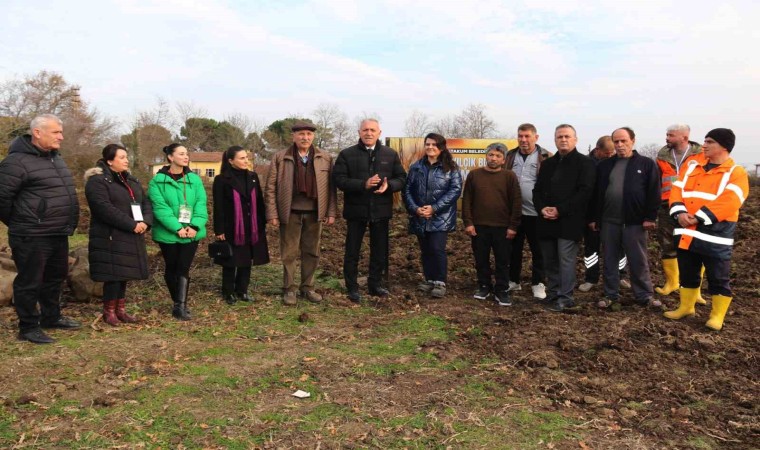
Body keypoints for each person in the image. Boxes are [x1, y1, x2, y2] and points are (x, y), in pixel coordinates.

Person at [0, 114, 81, 344]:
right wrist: (24, 222)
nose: (61, 137)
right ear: (37, 132)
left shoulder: (56, 158)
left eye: (61, 132)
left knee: (55, 277)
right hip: (31, 234)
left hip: (57, 232)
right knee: (30, 280)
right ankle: (27, 327)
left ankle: (51, 317)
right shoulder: (16, 162)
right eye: (56, 132)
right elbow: (2, 199)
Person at [664, 128, 749, 331]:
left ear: (723, 146)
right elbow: (677, 190)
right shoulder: (693, 166)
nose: (704, 145)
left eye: (709, 141)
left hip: (716, 234)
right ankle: (686, 307)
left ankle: (717, 316)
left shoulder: (736, 172)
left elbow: (731, 201)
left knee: (718, 277)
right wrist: (679, 213)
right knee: (688, 273)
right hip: (686, 232)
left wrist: (697, 217)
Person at [333, 119, 407, 303]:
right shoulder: (347, 154)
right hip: (356, 211)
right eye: (365, 130)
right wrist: (362, 184)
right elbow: (339, 180)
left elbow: (402, 178)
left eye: (372, 130)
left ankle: (375, 284)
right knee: (352, 251)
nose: (369, 133)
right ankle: (352, 287)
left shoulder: (390, 154)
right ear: (359, 132)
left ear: (379, 133)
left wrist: (389, 185)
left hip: (381, 211)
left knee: (379, 250)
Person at [265, 121, 337, 306]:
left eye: (308, 134)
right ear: (293, 136)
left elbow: (331, 188)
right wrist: (272, 213)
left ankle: (308, 287)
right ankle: (290, 289)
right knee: (289, 252)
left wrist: (330, 212)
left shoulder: (325, 157)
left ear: (313, 136)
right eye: (301, 134)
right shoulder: (280, 157)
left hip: (315, 213)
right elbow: (270, 187)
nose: (305, 138)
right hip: (289, 213)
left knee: (312, 252)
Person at [591, 128, 661, 309]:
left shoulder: (646, 164)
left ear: (633, 141)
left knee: (638, 260)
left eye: (624, 141)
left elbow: (654, 192)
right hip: (609, 221)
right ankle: (610, 295)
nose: (620, 145)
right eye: (616, 142)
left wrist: (650, 217)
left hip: (635, 222)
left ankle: (644, 295)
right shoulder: (605, 166)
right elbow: (597, 194)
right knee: (609, 260)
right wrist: (595, 218)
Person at [85, 144, 153, 326]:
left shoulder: (132, 181)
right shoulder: (97, 181)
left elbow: (146, 203)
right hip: (110, 235)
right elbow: (104, 209)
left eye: (126, 156)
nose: (126, 160)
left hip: (131, 234)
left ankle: (120, 310)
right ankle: (109, 312)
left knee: (124, 274)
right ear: (109, 161)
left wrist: (145, 222)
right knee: (113, 275)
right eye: (121, 157)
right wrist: (132, 224)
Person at [533, 124, 595, 312]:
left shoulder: (585, 163)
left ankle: (566, 297)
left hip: (570, 221)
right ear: (554, 140)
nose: (563, 139)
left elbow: (584, 192)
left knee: (566, 260)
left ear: (575, 139)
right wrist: (542, 208)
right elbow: (537, 191)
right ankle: (552, 294)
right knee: (550, 260)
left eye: (567, 136)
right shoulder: (548, 164)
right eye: (559, 137)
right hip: (546, 221)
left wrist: (559, 210)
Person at [148, 143, 208, 320]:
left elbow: (201, 204)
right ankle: (177, 302)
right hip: (168, 234)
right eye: (181, 154)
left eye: (187, 154)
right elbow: (160, 208)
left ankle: (180, 306)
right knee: (172, 268)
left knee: (183, 267)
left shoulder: (195, 180)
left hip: (191, 233)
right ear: (170, 157)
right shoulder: (157, 182)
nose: (186, 157)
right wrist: (177, 228)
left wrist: (195, 226)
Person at [403, 133, 463, 298]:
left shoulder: (451, 168)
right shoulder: (416, 167)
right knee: (425, 250)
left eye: (434, 145)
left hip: (440, 218)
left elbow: (455, 191)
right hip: (420, 216)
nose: (430, 147)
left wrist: (434, 208)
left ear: (442, 148)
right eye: (427, 144)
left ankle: (440, 281)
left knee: (437, 249)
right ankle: (428, 279)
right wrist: (416, 209)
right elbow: (407, 189)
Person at [462, 143, 521, 305]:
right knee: (481, 258)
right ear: (486, 156)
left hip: (503, 227)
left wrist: (513, 226)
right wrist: (468, 222)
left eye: (498, 156)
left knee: (503, 260)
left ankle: (501, 289)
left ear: (503, 160)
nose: (493, 158)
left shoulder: (509, 177)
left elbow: (516, 202)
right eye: (491, 155)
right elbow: (466, 200)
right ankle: (484, 285)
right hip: (479, 226)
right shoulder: (474, 175)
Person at [654, 124, 707, 299]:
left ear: (683, 137)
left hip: (693, 205)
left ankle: (695, 291)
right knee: (667, 244)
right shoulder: (662, 156)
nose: (667, 138)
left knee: (695, 247)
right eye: (666, 134)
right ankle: (672, 283)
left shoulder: (701, 154)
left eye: (670, 135)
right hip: (667, 205)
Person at [213, 146, 270, 304]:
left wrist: (262, 222)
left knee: (247, 259)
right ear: (231, 161)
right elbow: (218, 207)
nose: (246, 161)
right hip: (232, 226)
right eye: (242, 158)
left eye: (247, 158)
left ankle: (242, 290)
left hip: (252, 227)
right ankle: (228, 292)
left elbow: (259, 201)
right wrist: (219, 229)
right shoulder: (222, 179)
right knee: (231, 260)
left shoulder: (253, 176)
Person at [504, 123, 550, 300]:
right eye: (520, 136)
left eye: (527, 136)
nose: (523, 140)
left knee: (538, 250)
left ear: (535, 137)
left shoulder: (545, 157)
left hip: (537, 213)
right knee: (513, 249)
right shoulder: (510, 156)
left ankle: (538, 283)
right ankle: (513, 280)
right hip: (514, 213)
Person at [580, 135, 630, 292]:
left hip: (612, 213)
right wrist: (591, 217)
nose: (610, 155)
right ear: (597, 150)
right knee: (591, 249)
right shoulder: (586, 164)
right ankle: (591, 278)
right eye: (607, 152)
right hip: (591, 214)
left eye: (612, 152)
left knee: (619, 247)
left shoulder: (616, 164)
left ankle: (621, 275)